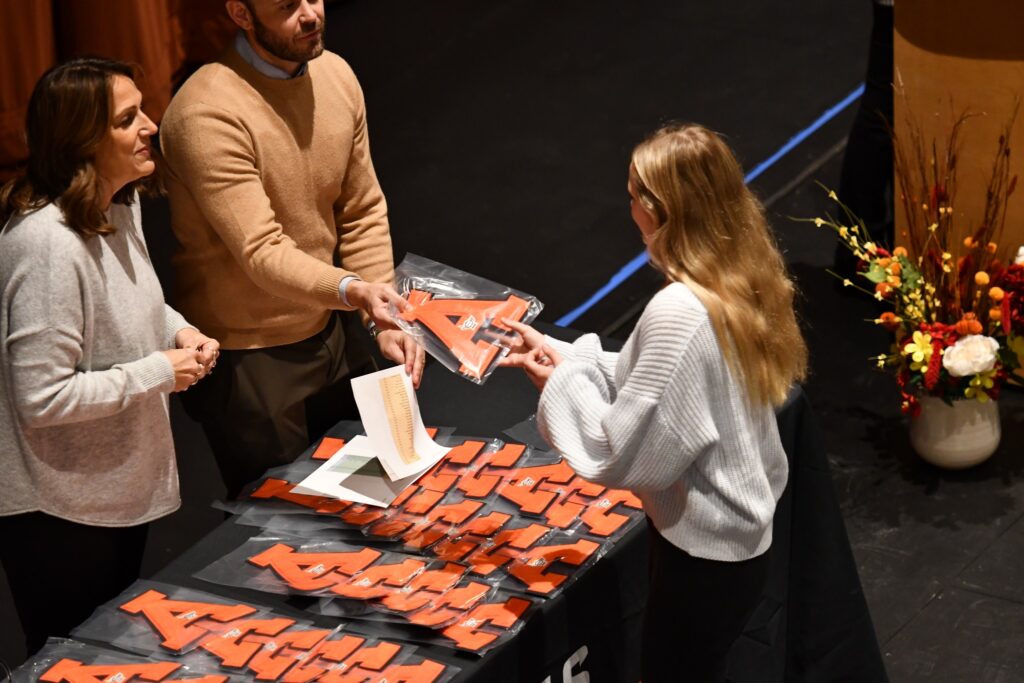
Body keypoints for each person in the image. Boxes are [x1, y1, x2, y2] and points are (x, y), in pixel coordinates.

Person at [502, 123, 808, 682]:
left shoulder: (680, 313)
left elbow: (621, 451)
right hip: (736, 548)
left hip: (705, 561)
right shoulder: (736, 277)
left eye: (633, 197)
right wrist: (561, 353)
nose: (629, 211)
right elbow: (659, 382)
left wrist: (559, 385)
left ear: (662, 211)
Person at [158, 0, 424, 499]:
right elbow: (261, 251)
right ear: (240, 13)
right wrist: (353, 291)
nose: (309, 14)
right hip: (250, 354)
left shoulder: (336, 75)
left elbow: (362, 207)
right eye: (285, 6)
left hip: (333, 320)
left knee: (376, 492)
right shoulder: (205, 113)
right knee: (287, 522)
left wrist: (381, 319)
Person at [0, 57, 219, 656]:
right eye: (129, 119)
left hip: (111, 490)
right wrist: (157, 372)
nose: (152, 126)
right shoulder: (45, 245)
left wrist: (179, 332)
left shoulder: (118, 207)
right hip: (57, 513)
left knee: (121, 655)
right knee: (78, 661)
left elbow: (134, 306)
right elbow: (42, 398)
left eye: (144, 110)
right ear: (83, 142)